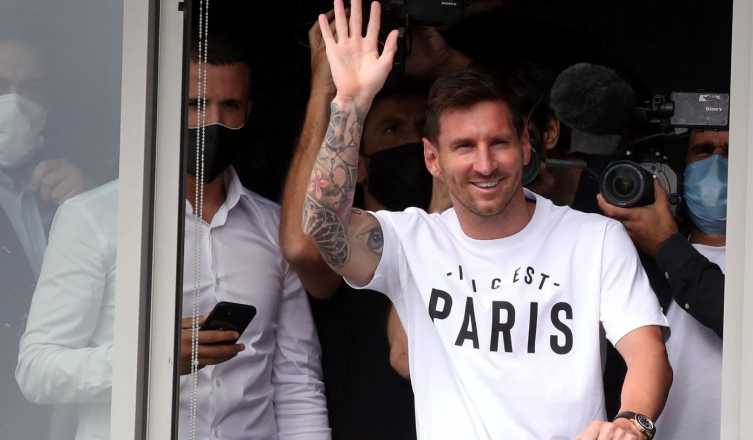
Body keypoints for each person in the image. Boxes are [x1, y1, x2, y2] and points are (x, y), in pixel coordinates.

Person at [301, 2, 671, 439]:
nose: (484, 164)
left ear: (526, 147)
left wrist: (632, 422)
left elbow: (647, 350)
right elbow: (324, 226)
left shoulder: (595, 238)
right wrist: (350, 103)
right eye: (464, 147)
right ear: (432, 158)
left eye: (499, 143)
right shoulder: (410, 240)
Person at [16, 33, 330, 440]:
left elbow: (297, 380)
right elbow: (37, 369)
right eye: (196, 105)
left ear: (247, 112)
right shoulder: (94, 218)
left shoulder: (273, 226)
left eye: (230, 106)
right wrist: (151, 358)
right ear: (165, 107)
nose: (213, 121)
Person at [279, 12, 432, 439]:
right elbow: (302, 246)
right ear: (358, 162)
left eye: (422, 130)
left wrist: (443, 61)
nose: (410, 142)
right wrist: (326, 87)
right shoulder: (346, 247)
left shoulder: (461, 236)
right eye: (391, 129)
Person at [597, 128, 729, 440]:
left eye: (730, 152)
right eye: (703, 150)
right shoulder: (640, 263)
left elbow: (740, 320)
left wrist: (667, 244)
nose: (717, 164)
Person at [1, 37, 90, 438]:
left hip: (70, 412)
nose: (14, 103)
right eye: (1, 86)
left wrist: (90, 203)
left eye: (29, 89)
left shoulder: (69, 186)